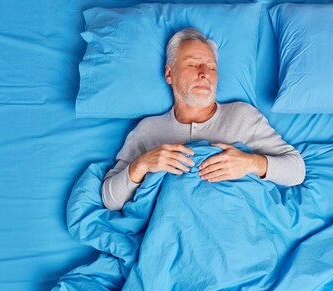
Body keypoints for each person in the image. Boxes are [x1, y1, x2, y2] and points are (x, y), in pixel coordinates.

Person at [101, 28, 306, 211]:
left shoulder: (242, 116)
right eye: (193, 64)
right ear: (169, 73)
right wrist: (142, 164)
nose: (204, 73)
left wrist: (251, 163)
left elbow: (296, 171)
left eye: (212, 67)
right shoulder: (148, 130)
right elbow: (112, 201)